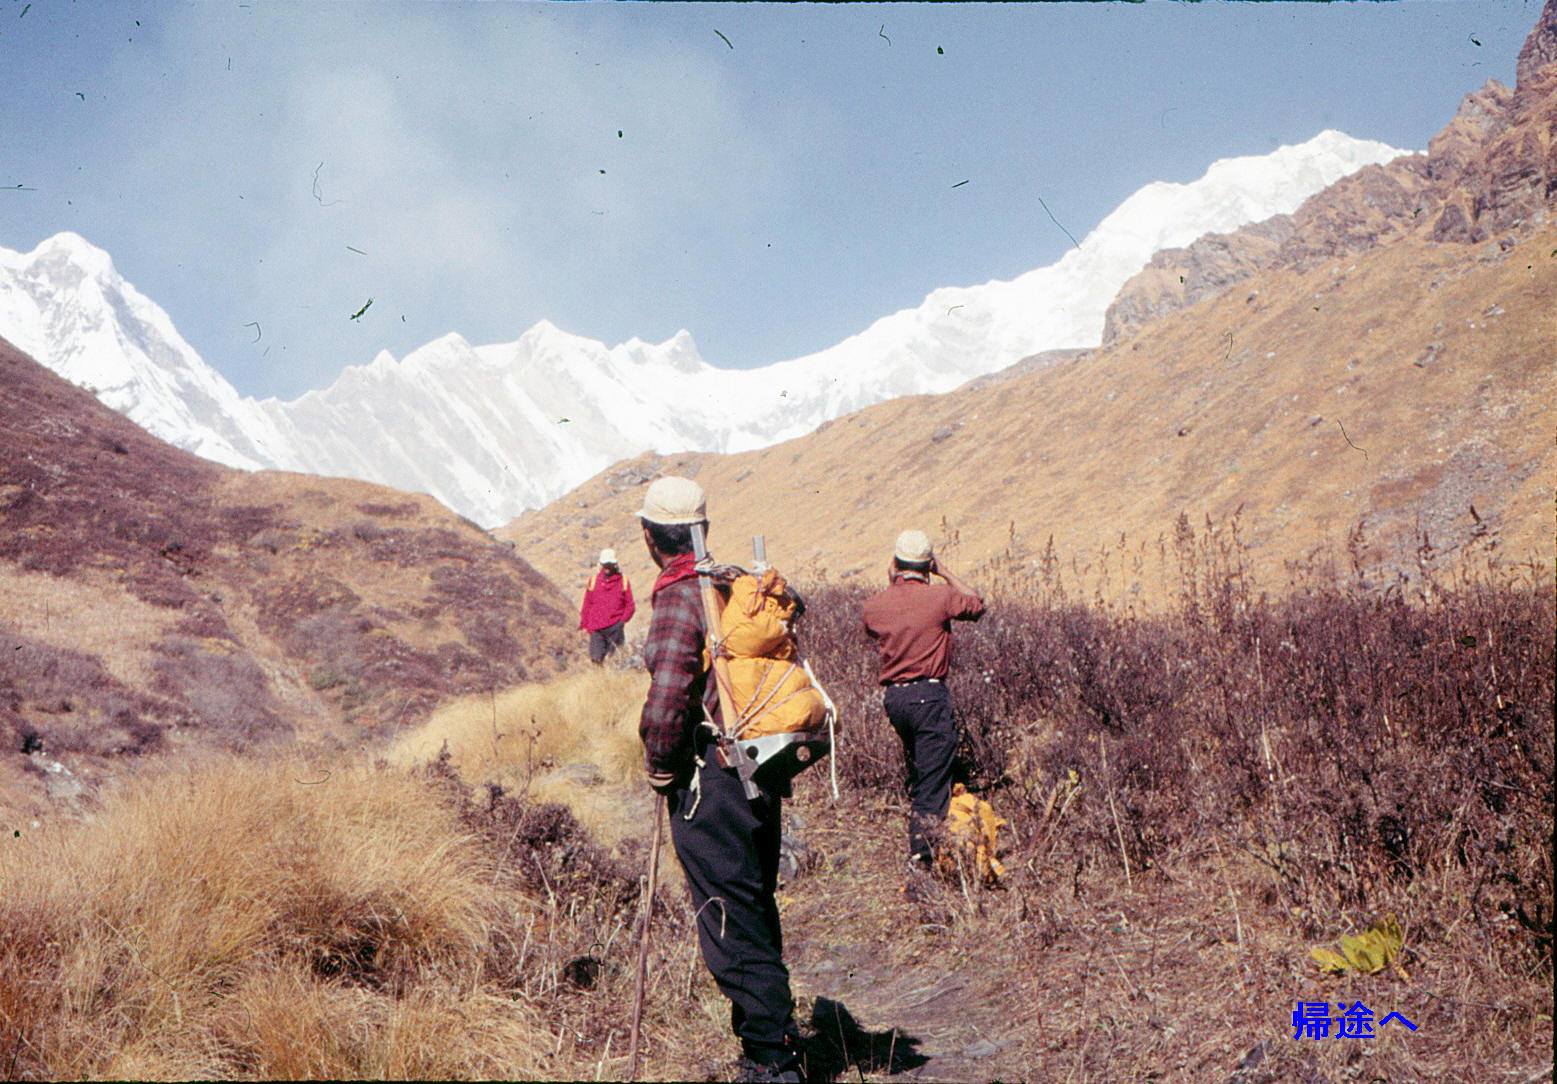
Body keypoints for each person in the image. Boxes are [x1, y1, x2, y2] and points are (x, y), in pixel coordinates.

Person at [635, 476, 803, 1084]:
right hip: (757, 769)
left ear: (651, 537)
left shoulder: (680, 595)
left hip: (711, 779)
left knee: (728, 916)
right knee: (751, 903)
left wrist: (660, 764)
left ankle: (772, 1061)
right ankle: (772, 1037)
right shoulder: (729, 585)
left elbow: (669, 695)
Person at [862, 529, 986, 871]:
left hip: (895, 700)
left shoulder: (875, 605)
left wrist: (893, 584)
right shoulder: (941, 596)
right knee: (932, 780)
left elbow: (876, 624)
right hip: (929, 697)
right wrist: (944, 572)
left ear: (895, 563)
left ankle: (930, 840)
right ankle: (923, 858)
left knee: (920, 769)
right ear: (928, 564)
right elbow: (977, 604)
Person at [578, 548, 634, 665]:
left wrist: (621, 622)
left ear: (615, 564)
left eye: (609, 565)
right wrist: (584, 625)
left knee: (615, 661)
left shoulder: (623, 581)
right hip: (596, 629)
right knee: (596, 660)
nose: (607, 568)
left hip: (615, 628)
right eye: (605, 565)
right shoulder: (593, 581)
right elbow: (587, 604)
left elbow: (630, 605)